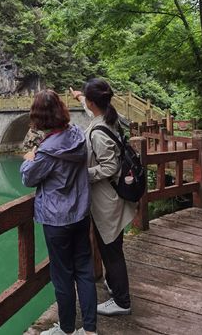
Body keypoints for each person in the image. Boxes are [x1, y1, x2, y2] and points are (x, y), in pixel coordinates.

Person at [20, 90, 97, 335]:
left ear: (38, 118)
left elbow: (27, 178)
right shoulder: (76, 135)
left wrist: (29, 158)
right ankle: (90, 329)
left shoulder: (46, 151)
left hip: (57, 220)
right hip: (81, 214)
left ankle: (66, 330)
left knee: (62, 275)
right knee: (84, 270)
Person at [70, 79, 137, 316]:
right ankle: (114, 284)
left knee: (111, 250)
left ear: (93, 101)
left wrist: (82, 174)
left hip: (107, 200)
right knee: (110, 245)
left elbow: (109, 167)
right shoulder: (110, 118)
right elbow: (92, 111)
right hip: (113, 197)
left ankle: (122, 301)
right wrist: (79, 97)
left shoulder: (98, 133)